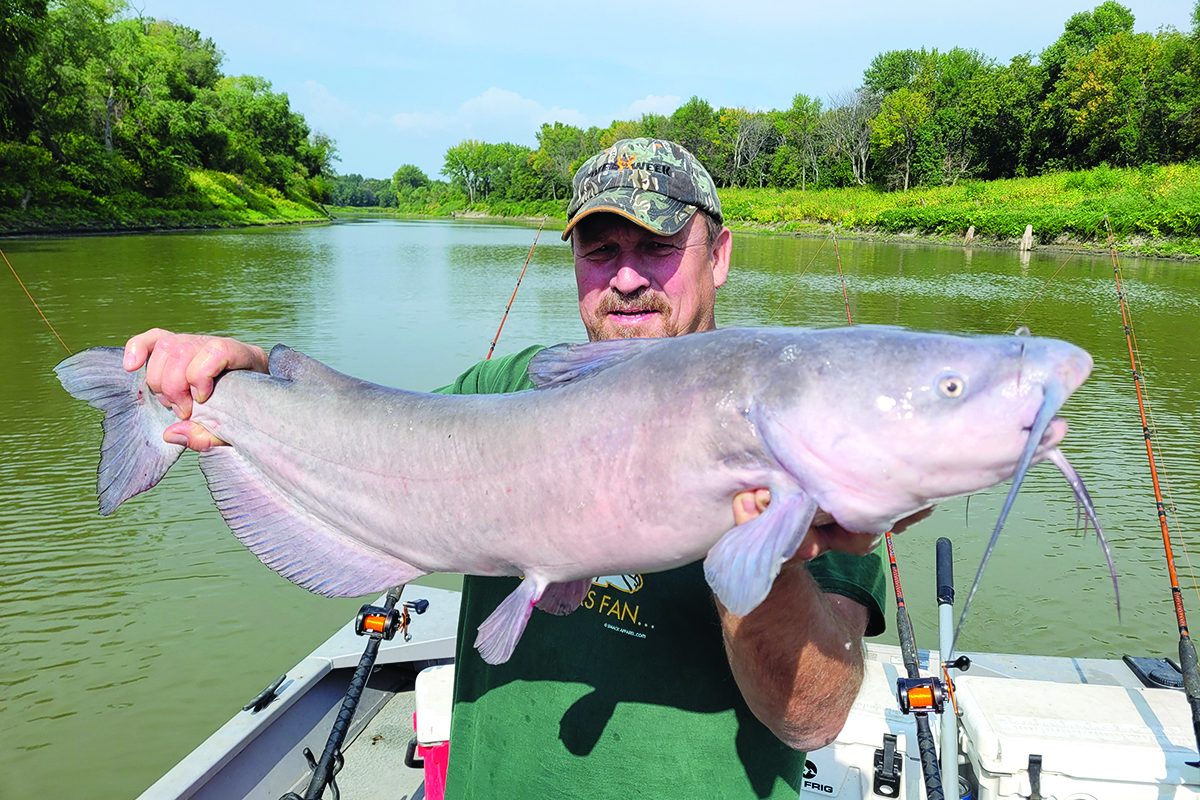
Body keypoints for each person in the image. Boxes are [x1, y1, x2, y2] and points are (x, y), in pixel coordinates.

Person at [123, 139, 891, 798]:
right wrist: (246, 375)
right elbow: (376, 433)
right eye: (600, 250)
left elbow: (813, 718)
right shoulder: (505, 390)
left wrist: (764, 557)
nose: (626, 279)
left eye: (656, 246)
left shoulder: (813, 436)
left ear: (718, 254)